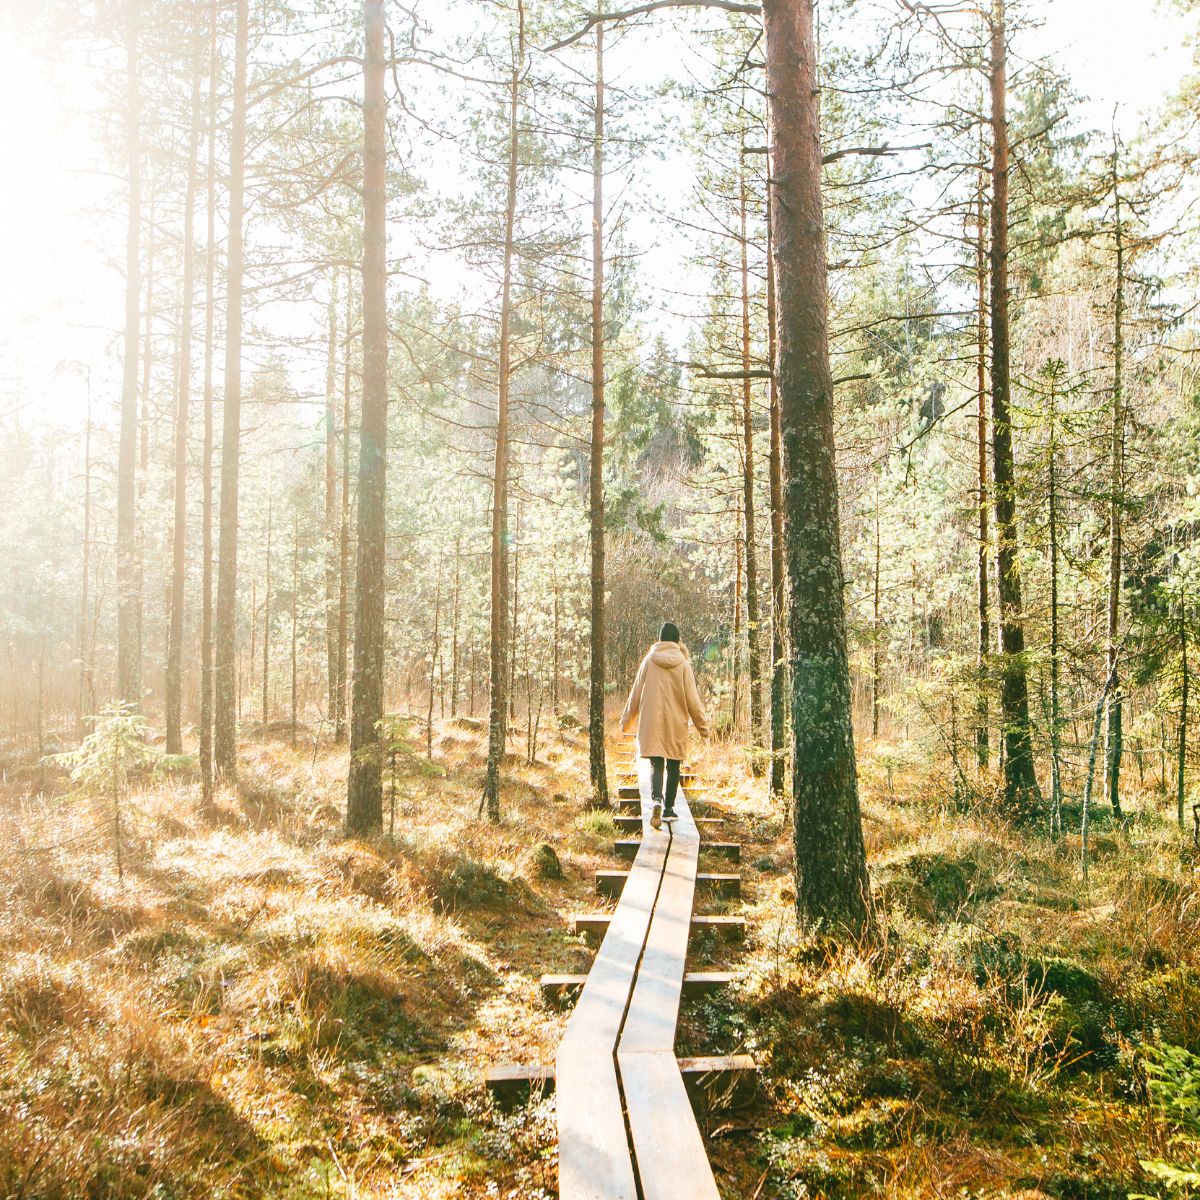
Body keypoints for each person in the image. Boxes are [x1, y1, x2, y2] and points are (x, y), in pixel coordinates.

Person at [619, 622, 711, 829]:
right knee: (674, 764)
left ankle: (656, 801)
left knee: (656, 764)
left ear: (659, 640)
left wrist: (626, 722)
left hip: (652, 722)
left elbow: (635, 693)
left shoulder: (649, 661)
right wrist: (703, 728)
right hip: (676, 722)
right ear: (677, 640)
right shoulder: (684, 665)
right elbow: (693, 701)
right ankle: (669, 809)